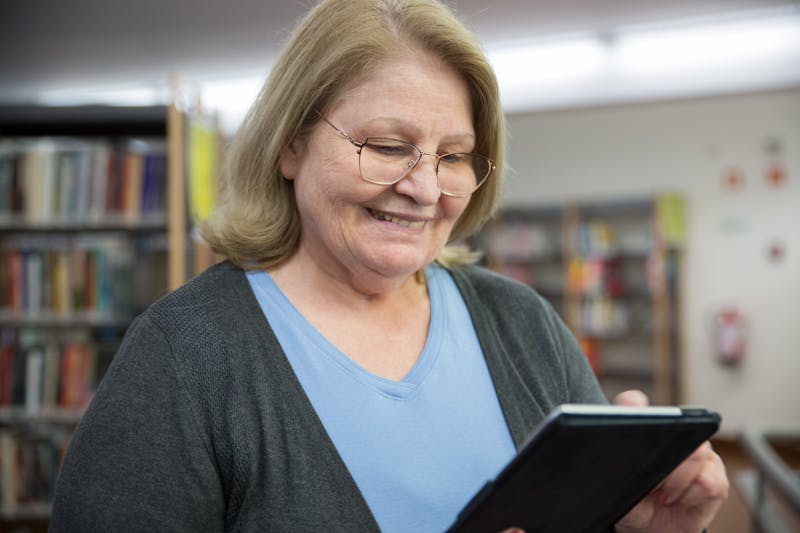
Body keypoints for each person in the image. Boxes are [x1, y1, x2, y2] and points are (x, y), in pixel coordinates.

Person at [50, 0, 728, 531]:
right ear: (291, 145)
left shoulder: (523, 325)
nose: (426, 188)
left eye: (454, 155)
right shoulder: (183, 358)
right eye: (386, 145)